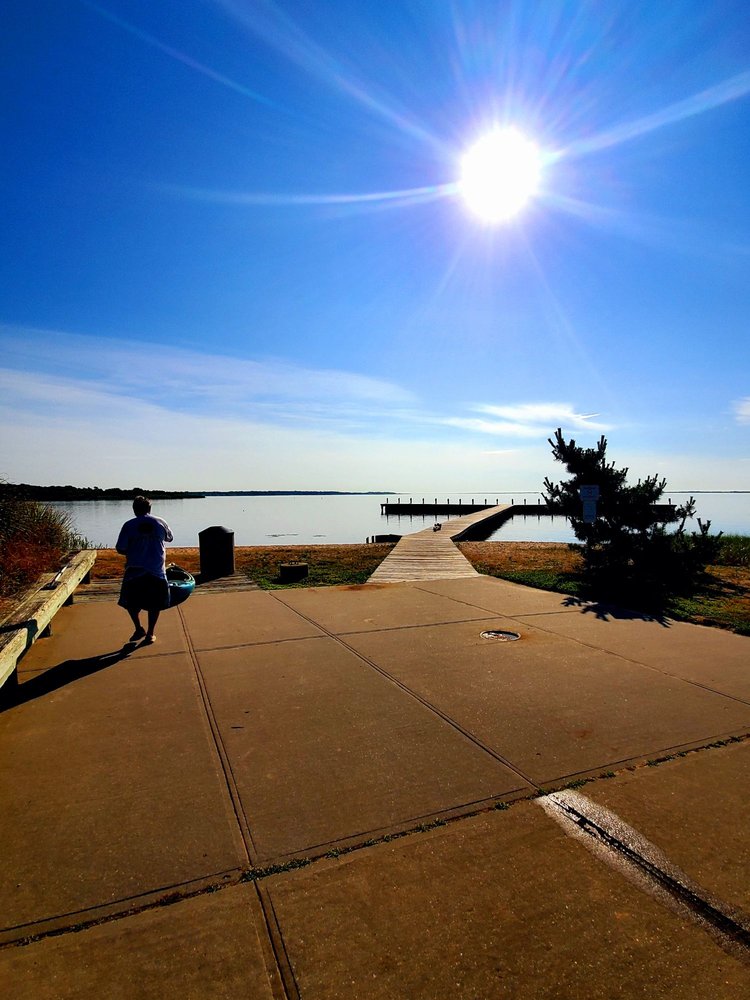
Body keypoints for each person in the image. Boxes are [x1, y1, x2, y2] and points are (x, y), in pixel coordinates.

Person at [116, 496, 174, 644]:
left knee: (129, 602)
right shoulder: (160, 522)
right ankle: (150, 633)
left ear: (135, 510)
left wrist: (133, 549)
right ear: (149, 509)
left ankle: (138, 628)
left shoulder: (128, 525)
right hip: (156, 570)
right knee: (155, 604)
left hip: (134, 570)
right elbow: (169, 538)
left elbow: (120, 548)